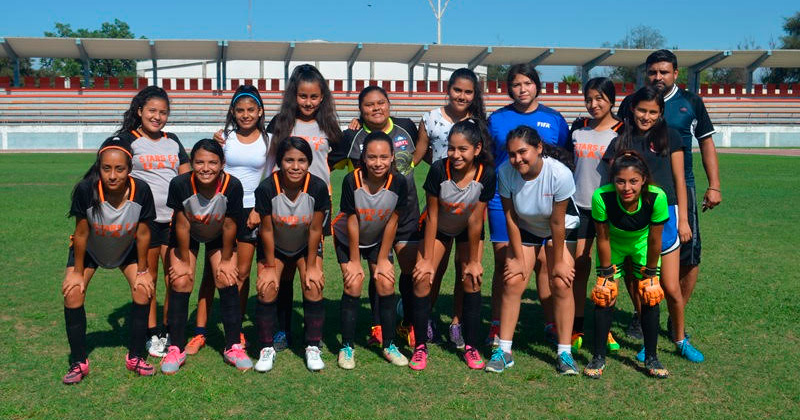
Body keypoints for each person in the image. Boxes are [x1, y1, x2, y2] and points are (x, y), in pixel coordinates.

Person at [618, 49, 721, 347]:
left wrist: (714, 185)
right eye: (652, 72)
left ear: (676, 73)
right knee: (634, 256)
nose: (658, 77)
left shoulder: (691, 102)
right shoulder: (631, 102)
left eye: (664, 72)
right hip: (636, 191)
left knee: (689, 254)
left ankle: (677, 316)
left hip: (680, 189)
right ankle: (641, 312)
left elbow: (706, 143)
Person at [604, 86, 703, 362]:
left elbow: (680, 179)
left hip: (666, 215)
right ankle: (649, 340)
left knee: (670, 286)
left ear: (660, 113)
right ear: (632, 109)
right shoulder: (621, 139)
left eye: (652, 112)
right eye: (641, 110)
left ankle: (680, 339)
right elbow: (613, 181)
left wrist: (684, 219)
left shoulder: (670, 136)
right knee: (643, 285)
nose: (646, 116)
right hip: (635, 219)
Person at [329, 86, 424, 348]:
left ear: (389, 104)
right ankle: (378, 326)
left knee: (407, 271)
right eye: (369, 105)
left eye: (381, 102)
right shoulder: (352, 136)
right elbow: (326, 161)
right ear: (360, 110)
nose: (376, 108)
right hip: (370, 220)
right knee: (377, 272)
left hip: (404, 213)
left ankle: (407, 322)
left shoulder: (406, 126)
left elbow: (425, 147)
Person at [486, 63, 570, 347]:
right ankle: (496, 324)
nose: (522, 89)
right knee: (505, 261)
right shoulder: (497, 119)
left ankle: (551, 323)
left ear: (537, 85)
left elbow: (564, 156)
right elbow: (489, 158)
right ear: (509, 89)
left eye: (527, 83)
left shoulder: (554, 119)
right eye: (516, 84)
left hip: (543, 199)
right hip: (504, 199)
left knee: (545, 262)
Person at [485, 125, 580, 375]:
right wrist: (517, 258)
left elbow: (557, 222)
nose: (517, 159)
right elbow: (510, 217)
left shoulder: (559, 174)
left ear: (538, 148)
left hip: (560, 227)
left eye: (523, 152)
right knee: (513, 279)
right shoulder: (505, 172)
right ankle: (504, 351)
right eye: (512, 154)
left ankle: (565, 353)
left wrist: (559, 262)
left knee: (561, 282)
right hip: (526, 226)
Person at [61, 141, 157, 383]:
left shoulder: (141, 190)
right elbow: (81, 234)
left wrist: (143, 271)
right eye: (106, 168)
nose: (112, 175)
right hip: (91, 250)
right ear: (99, 167)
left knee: (143, 290)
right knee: (72, 292)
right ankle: (79, 362)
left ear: (129, 169)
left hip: (126, 248)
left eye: (119, 169)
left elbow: (143, 234)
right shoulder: (86, 189)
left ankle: (136, 356)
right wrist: (77, 272)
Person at [189, 85, 275, 355]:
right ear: (233, 112)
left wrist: (259, 208)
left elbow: (272, 178)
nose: (245, 115)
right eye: (240, 110)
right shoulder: (224, 138)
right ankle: (200, 332)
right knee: (212, 272)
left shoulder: (270, 140)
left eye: (251, 110)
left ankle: (234, 329)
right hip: (221, 208)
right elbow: (209, 169)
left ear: (260, 111)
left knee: (241, 273)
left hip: (251, 211)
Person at [110, 86, 191, 357]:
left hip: (173, 219)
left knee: (173, 276)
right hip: (145, 221)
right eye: (152, 111)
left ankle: (168, 329)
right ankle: (151, 332)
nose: (157, 117)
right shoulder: (127, 140)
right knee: (149, 276)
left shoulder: (172, 140)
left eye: (163, 112)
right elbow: (113, 171)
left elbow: (185, 178)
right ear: (139, 111)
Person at [409, 119, 495, 370]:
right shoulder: (439, 169)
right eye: (451, 148)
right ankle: (420, 347)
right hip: (438, 228)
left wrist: (475, 261)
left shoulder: (486, 174)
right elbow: (432, 216)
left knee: (471, 279)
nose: (455, 154)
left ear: (477, 149)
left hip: (468, 229)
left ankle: (470, 346)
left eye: (462, 149)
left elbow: (477, 220)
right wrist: (427, 260)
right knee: (423, 277)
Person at [266, 64, 341, 351]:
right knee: (284, 270)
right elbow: (269, 163)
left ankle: (313, 335)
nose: (308, 102)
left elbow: (340, 155)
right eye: (302, 96)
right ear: (293, 96)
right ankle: (282, 330)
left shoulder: (328, 125)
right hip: (283, 204)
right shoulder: (281, 124)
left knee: (313, 268)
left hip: (317, 206)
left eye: (314, 97)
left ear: (322, 97)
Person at [160, 140, 251, 374]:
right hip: (188, 233)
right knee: (181, 280)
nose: (206, 168)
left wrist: (227, 259)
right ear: (192, 163)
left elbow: (230, 225)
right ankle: (175, 348)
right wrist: (183, 261)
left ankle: (233, 346)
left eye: (212, 162)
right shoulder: (180, 184)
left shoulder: (233, 185)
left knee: (226, 277)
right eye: (199, 162)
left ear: (222, 164)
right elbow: (181, 225)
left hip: (219, 232)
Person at [417, 68, 488, 349]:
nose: (462, 96)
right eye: (457, 90)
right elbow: (419, 155)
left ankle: (457, 322)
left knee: (464, 269)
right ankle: (426, 316)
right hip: (440, 200)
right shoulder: (431, 118)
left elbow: (485, 163)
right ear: (448, 90)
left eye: (468, 92)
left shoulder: (479, 123)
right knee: (434, 267)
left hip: (469, 207)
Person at [583, 150, 670, 379]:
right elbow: (602, 237)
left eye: (633, 181)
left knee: (650, 294)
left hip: (642, 243)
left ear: (643, 180)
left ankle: (651, 356)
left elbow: (655, 239)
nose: (627, 187)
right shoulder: (602, 196)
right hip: (614, 242)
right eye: (620, 181)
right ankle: (598, 356)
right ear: (613, 180)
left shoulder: (657, 197)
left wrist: (651, 274)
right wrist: (605, 274)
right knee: (604, 293)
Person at [331, 131, 409, 370]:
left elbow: (393, 221)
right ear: (363, 158)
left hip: (377, 238)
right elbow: (351, 220)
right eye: (372, 157)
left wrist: (384, 258)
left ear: (392, 156)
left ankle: (389, 345)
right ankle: (347, 347)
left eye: (384, 157)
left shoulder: (399, 182)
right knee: (353, 283)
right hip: (348, 238)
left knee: (386, 282)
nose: (378, 163)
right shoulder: (351, 180)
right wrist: (355, 260)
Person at [252, 137, 329, 372]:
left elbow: (315, 229)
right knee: (267, 287)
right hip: (275, 246)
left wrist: (312, 265)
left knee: (313, 284)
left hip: (305, 246)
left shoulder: (317, 187)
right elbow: (266, 230)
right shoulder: (266, 188)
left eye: (302, 160)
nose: (295, 166)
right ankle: (267, 348)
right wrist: (269, 267)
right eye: (289, 160)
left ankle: (312, 345)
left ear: (309, 162)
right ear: (279, 162)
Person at [566, 77, 624, 353]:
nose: (593, 104)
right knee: (579, 267)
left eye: (599, 98)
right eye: (588, 99)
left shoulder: (621, 131)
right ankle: (576, 326)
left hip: (607, 210)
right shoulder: (578, 129)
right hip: (579, 208)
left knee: (607, 272)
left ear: (611, 100)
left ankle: (605, 327)